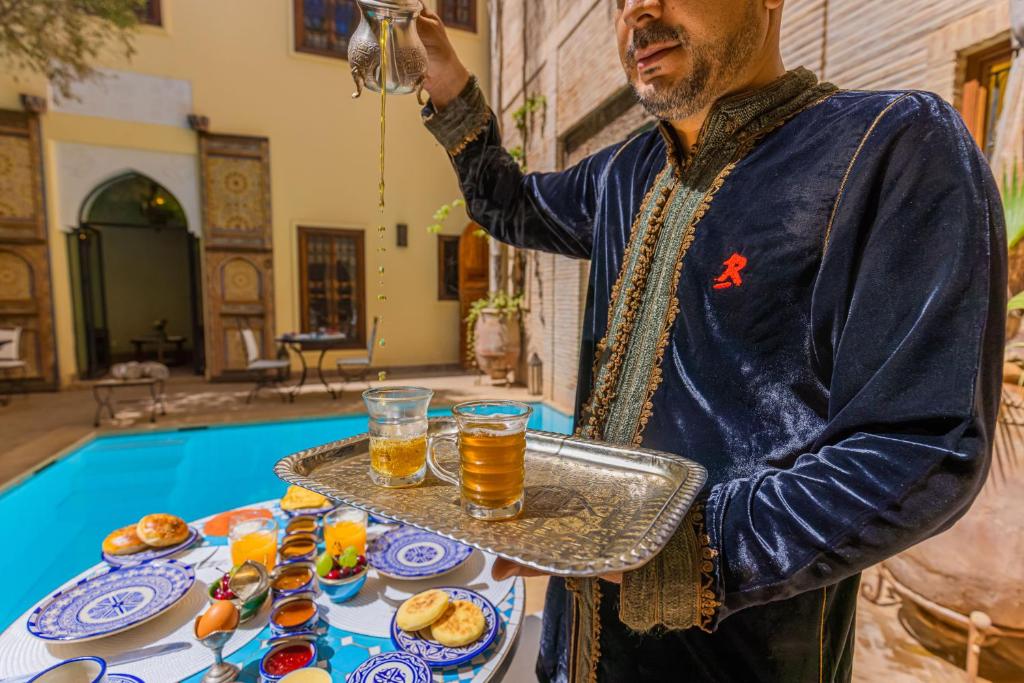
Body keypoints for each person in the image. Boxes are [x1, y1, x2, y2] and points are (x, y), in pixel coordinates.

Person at [416, 1, 1007, 681]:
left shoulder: (887, 148)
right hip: (575, 644)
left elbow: (922, 443)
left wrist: (674, 548)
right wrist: (444, 72)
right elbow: (506, 202)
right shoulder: (626, 174)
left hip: (736, 656)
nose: (637, 10)